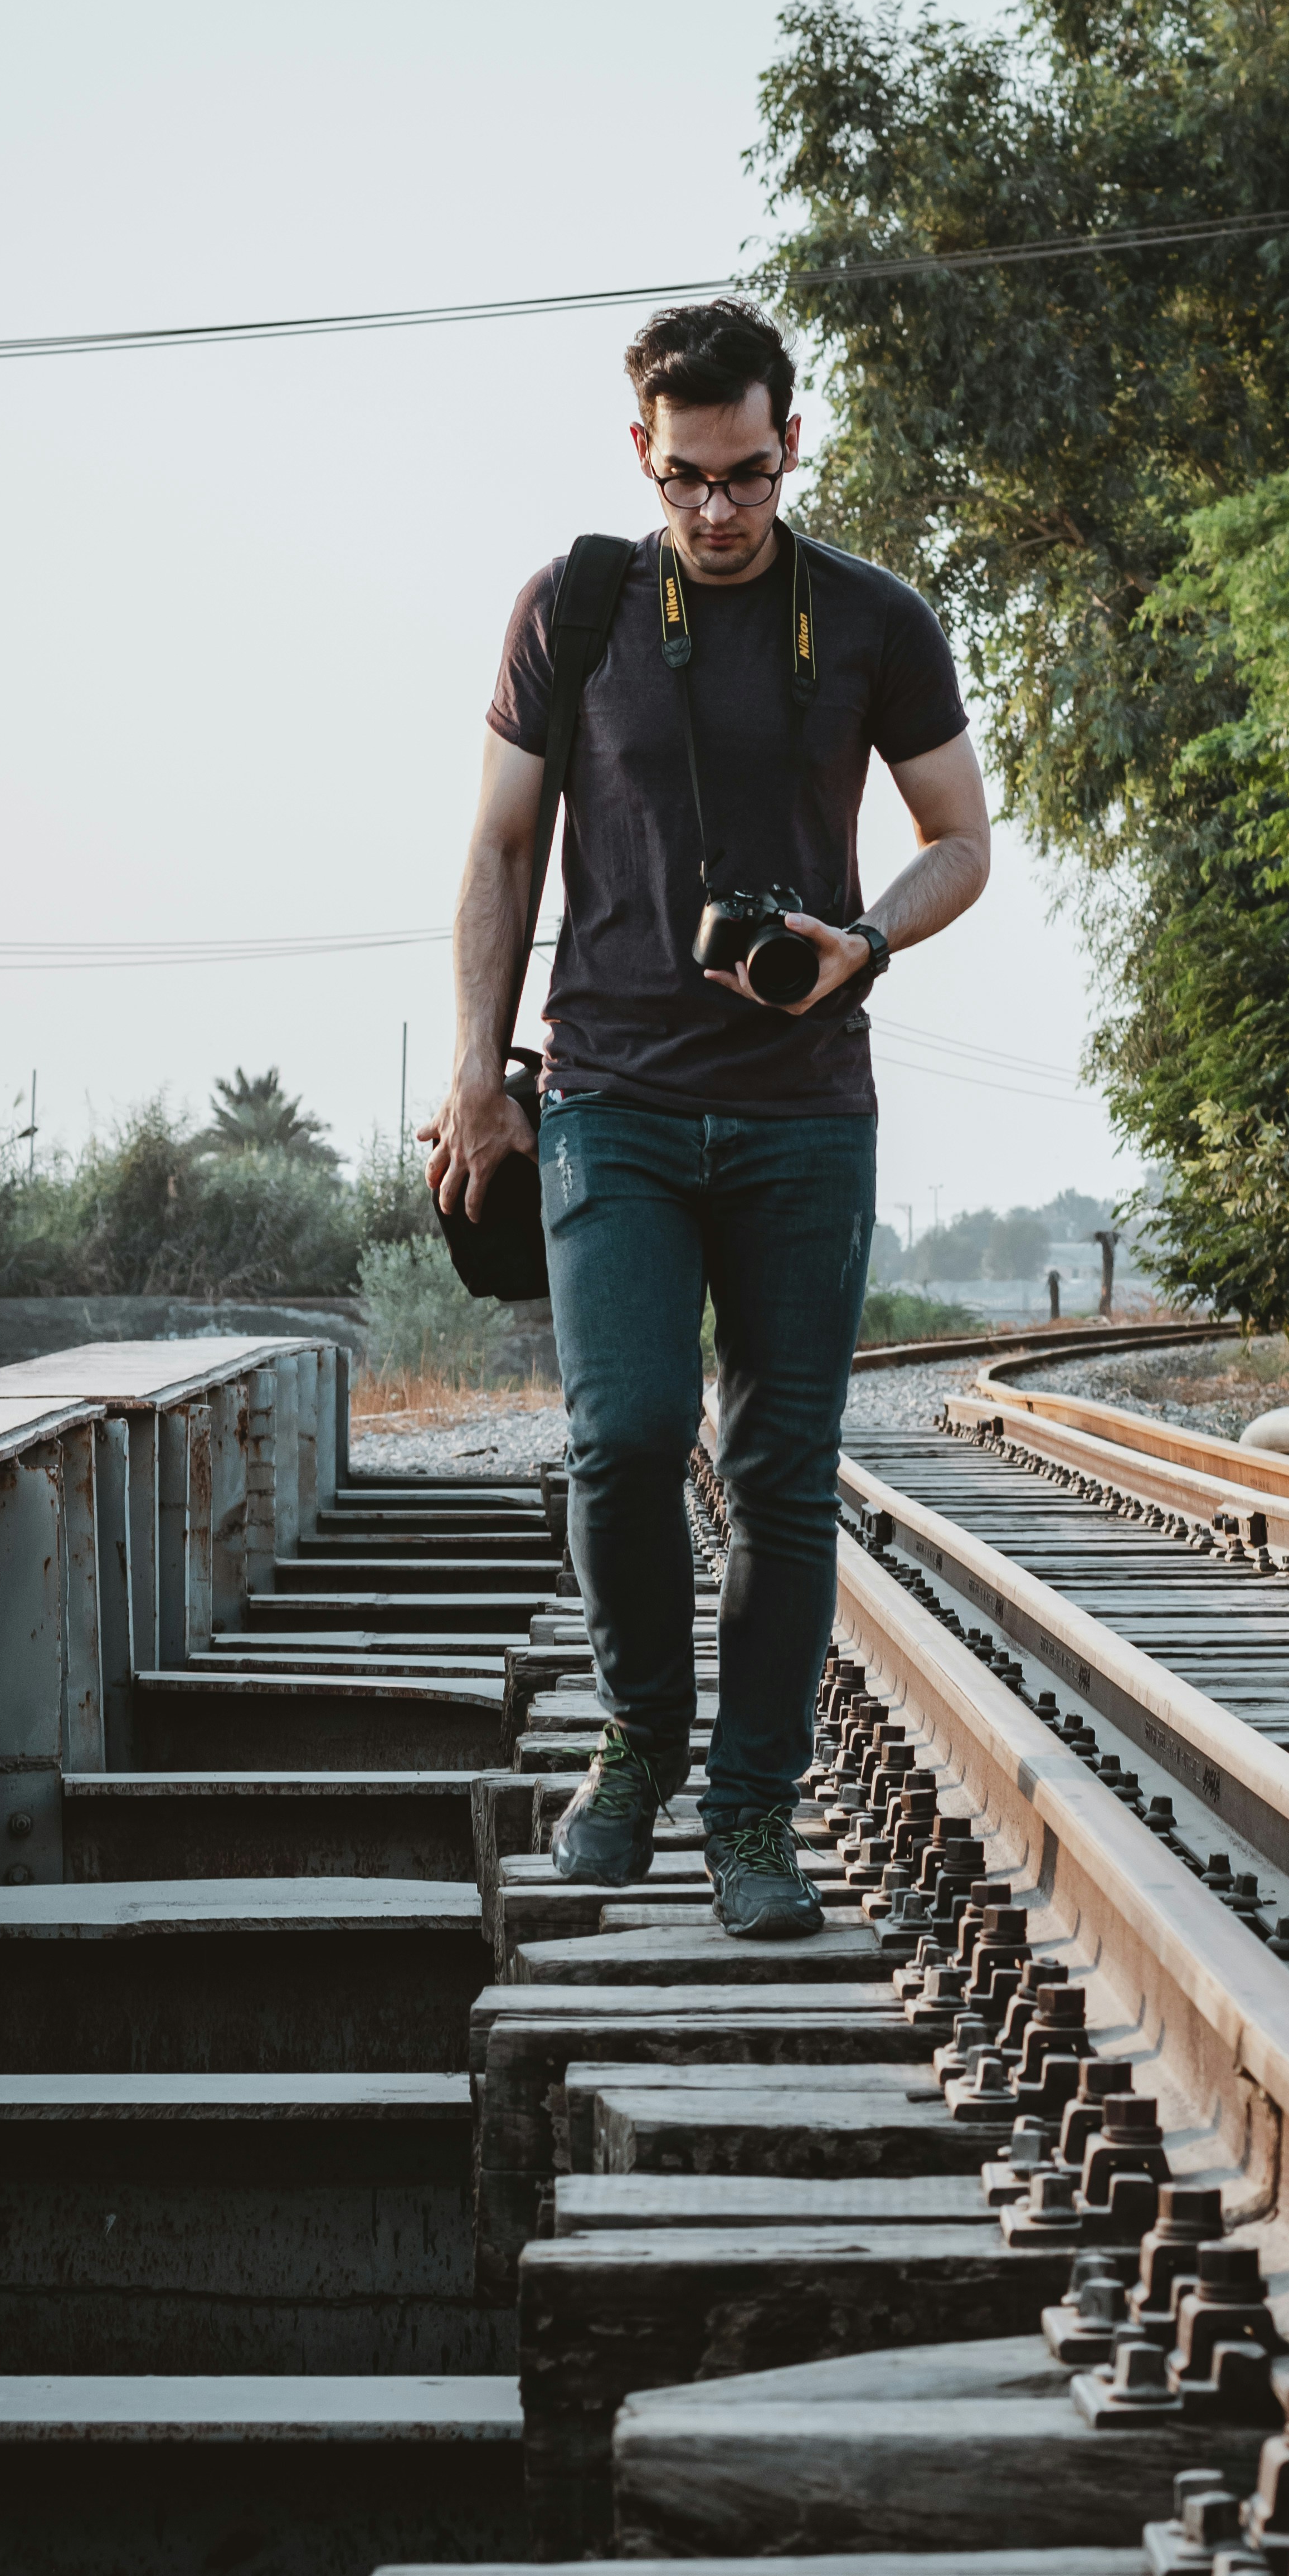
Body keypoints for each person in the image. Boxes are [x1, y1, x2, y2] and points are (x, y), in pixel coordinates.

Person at [422, 296, 989, 1936]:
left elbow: (961, 836)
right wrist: (477, 1064)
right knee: (621, 1438)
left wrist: (864, 940)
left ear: (792, 442)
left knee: (784, 1469)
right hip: (612, 1097)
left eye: (747, 477)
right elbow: (501, 846)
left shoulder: (874, 619)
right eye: (690, 480)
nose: (720, 512)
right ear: (643, 456)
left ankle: (750, 1815)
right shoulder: (576, 605)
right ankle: (636, 1747)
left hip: (807, 1109)